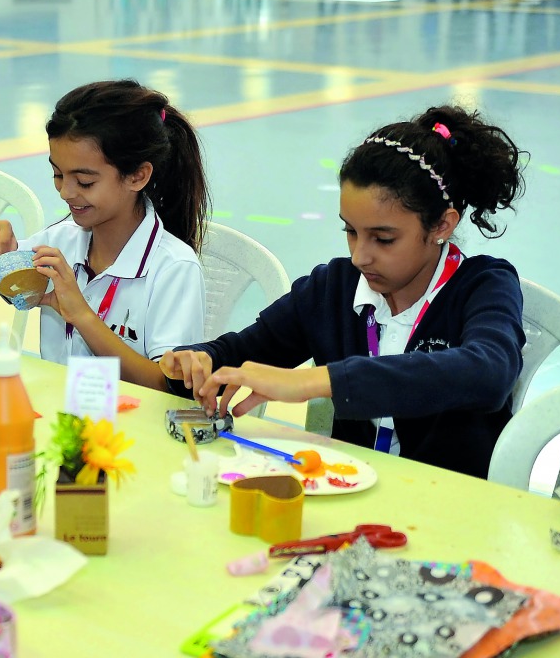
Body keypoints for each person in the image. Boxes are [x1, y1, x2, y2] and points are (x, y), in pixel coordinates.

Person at [161, 105, 527, 479]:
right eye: (350, 231)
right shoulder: (333, 289)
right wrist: (195, 362)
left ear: (441, 225)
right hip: (355, 496)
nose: (359, 256)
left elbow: (488, 372)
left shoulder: (484, 284)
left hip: (454, 507)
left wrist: (313, 381)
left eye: (383, 239)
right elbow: (238, 353)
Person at [0, 81, 209, 392]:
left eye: (84, 182)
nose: (66, 193)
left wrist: (82, 315)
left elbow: (168, 388)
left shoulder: (173, 268)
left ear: (138, 175)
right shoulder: (60, 241)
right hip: (61, 416)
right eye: (58, 174)